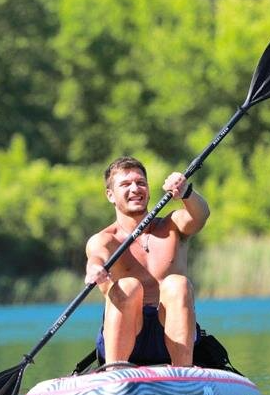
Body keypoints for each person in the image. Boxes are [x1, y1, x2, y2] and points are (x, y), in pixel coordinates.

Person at [85, 156, 210, 367]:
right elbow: (96, 257)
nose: (135, 188)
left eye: (140, 183)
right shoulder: (105, 239)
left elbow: (201, 216)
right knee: (128, 285)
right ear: (110, 195)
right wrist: (95, 269)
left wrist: (186, 192)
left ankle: (183, 373)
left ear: (148, 190)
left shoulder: (172, 225)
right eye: (125, 184)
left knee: (177, 283)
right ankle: (115, 371)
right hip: (127, 338)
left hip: (172, 336)